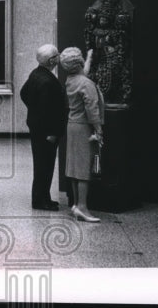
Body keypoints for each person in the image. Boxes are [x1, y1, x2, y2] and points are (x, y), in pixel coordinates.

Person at [19, 44, 68, 211]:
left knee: (41, 165)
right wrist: (53, 133)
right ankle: (40, 201)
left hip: (37, 128)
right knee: (44, 166)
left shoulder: (36, 74)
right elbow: (50, 112)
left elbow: (23, 92)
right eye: (57, 55)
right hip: (46, 132)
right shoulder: (47, 81)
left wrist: (33, 110)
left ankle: (43, 198)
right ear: (51, 60)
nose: (59, 57)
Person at [59, 46, 104, 223]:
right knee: (84, 169)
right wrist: (99, 130)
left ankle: (76, 204)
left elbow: (82, 73)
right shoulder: (86, 84)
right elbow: (92, 110)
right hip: (85, 127)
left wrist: (89, 57)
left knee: (74, 168)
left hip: (72, 126)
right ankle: (83, 207)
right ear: (78, 63)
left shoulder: (71, 79)